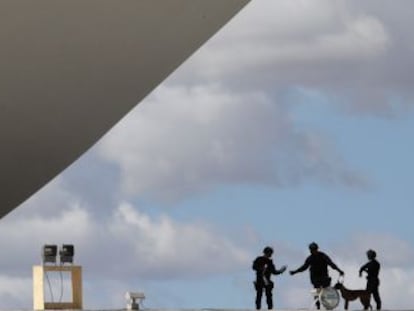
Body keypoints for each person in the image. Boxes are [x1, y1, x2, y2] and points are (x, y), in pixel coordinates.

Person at [289, 242, 344, 309]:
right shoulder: (310, 258)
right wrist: (295, 272)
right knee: (316, 291)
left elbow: (331, 264)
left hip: (324, 277)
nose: (311, 251)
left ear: (316, 249)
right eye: (311, 250)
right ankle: (318, 306)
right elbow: (304, 267)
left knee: (327, 290)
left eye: (313, 250)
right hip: (315, 278)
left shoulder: (323, 256)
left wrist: (339, 270)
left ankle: (328, 305)